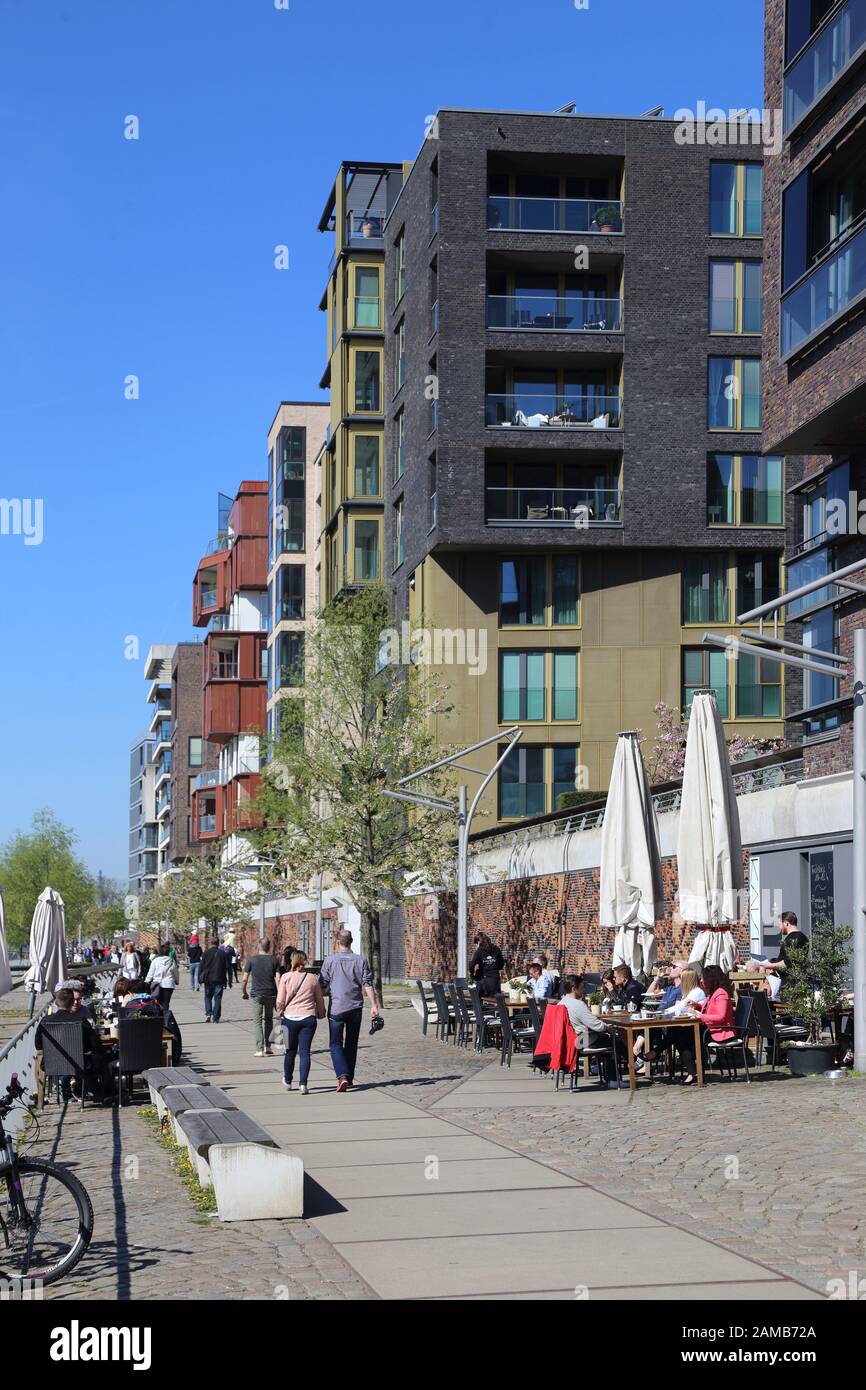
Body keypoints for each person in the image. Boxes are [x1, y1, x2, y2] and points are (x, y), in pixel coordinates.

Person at [318, 929, 379, 1092]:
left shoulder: (329, 961)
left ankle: (342, 1076)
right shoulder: (360, 960)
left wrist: (319, 1003)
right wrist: (374, 1005)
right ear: (351, 941)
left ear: (338, 941)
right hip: (355, 1007)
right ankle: (349, 1077)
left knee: (335, 1043)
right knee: (352, 1043)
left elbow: (322, 985)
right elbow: (367, 983)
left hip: (337, 1008)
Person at [36, 988, 110, 1101]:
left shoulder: (45, 1021)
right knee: (102, 1057)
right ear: (72, 1003)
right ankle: (104, 1092)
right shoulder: (80, 1020)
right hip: (79, 1063)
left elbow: (38, 1045)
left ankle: (68, 1091)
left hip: (53, 1064)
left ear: (56, 1002)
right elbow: (94, 1044)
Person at [277, 951, 326, 1094]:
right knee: (305, 1052)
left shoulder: (285, 977)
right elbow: (319, 999)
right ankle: (303, 1084)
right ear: (304, 961)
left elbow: (280, 1001)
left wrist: (280, 1009)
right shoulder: (312, 978)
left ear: (292, 961)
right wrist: (321, 1013)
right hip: (308, 1018)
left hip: (290, 1018)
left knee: (289, 1051)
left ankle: (287, 1080)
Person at [242, 939, 280, 1057]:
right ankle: (268, 1047)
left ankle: (259, 1049)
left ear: (259, 946)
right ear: (269, 947)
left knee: (257, 1021)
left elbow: (244, 979)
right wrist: (279, 995)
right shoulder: (274, 960)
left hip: (257, 994)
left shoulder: (252, 960)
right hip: (271, 993)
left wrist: (244, 992)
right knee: (269, 1020)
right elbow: (278, 979)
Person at [201, 934, 230, 1023]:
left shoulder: (206, 953)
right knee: (217, 998)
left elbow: (201, 966)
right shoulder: (223, 954)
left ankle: (208, 1013)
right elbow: (227, 968)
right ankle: (216, 1018)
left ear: (211, 943)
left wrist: (200, 978)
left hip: (208, 979)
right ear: (218, 944)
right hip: (219, 979)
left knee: (207, 997)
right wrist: (229, 981)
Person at [146, 943, 179, 1017]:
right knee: (166, 1002)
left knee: (158, 1002)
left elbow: (150, 973)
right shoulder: (171, 961)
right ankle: (165, 1017)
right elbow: (175, 972)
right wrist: (177, 981)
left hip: (157, 984)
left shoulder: (155, 961)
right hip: (169, 984)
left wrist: (146, 981)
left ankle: (160, 1016)